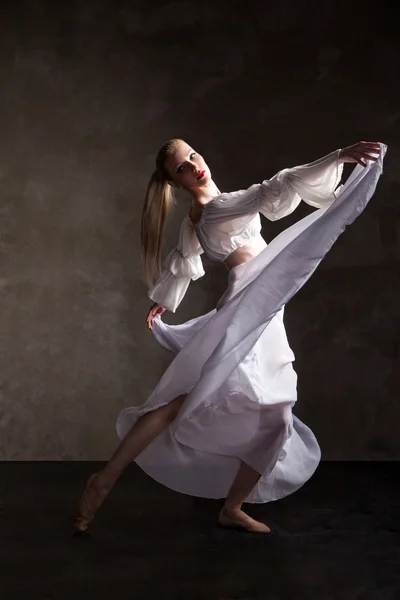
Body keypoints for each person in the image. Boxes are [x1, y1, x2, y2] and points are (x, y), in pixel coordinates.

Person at [74, 138, 384, 534]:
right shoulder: (216, 207)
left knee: (263, 414)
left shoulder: (198, 215)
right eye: (182, 168)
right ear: (176, 182)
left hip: (261, 303)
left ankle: (228, 507)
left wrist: (166, 301)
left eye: (192, 155)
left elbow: (186, 259)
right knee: (196, 403)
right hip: (249, 303)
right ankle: (103, 483)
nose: (193, 165)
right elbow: (275, 188)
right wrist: (337, 157)